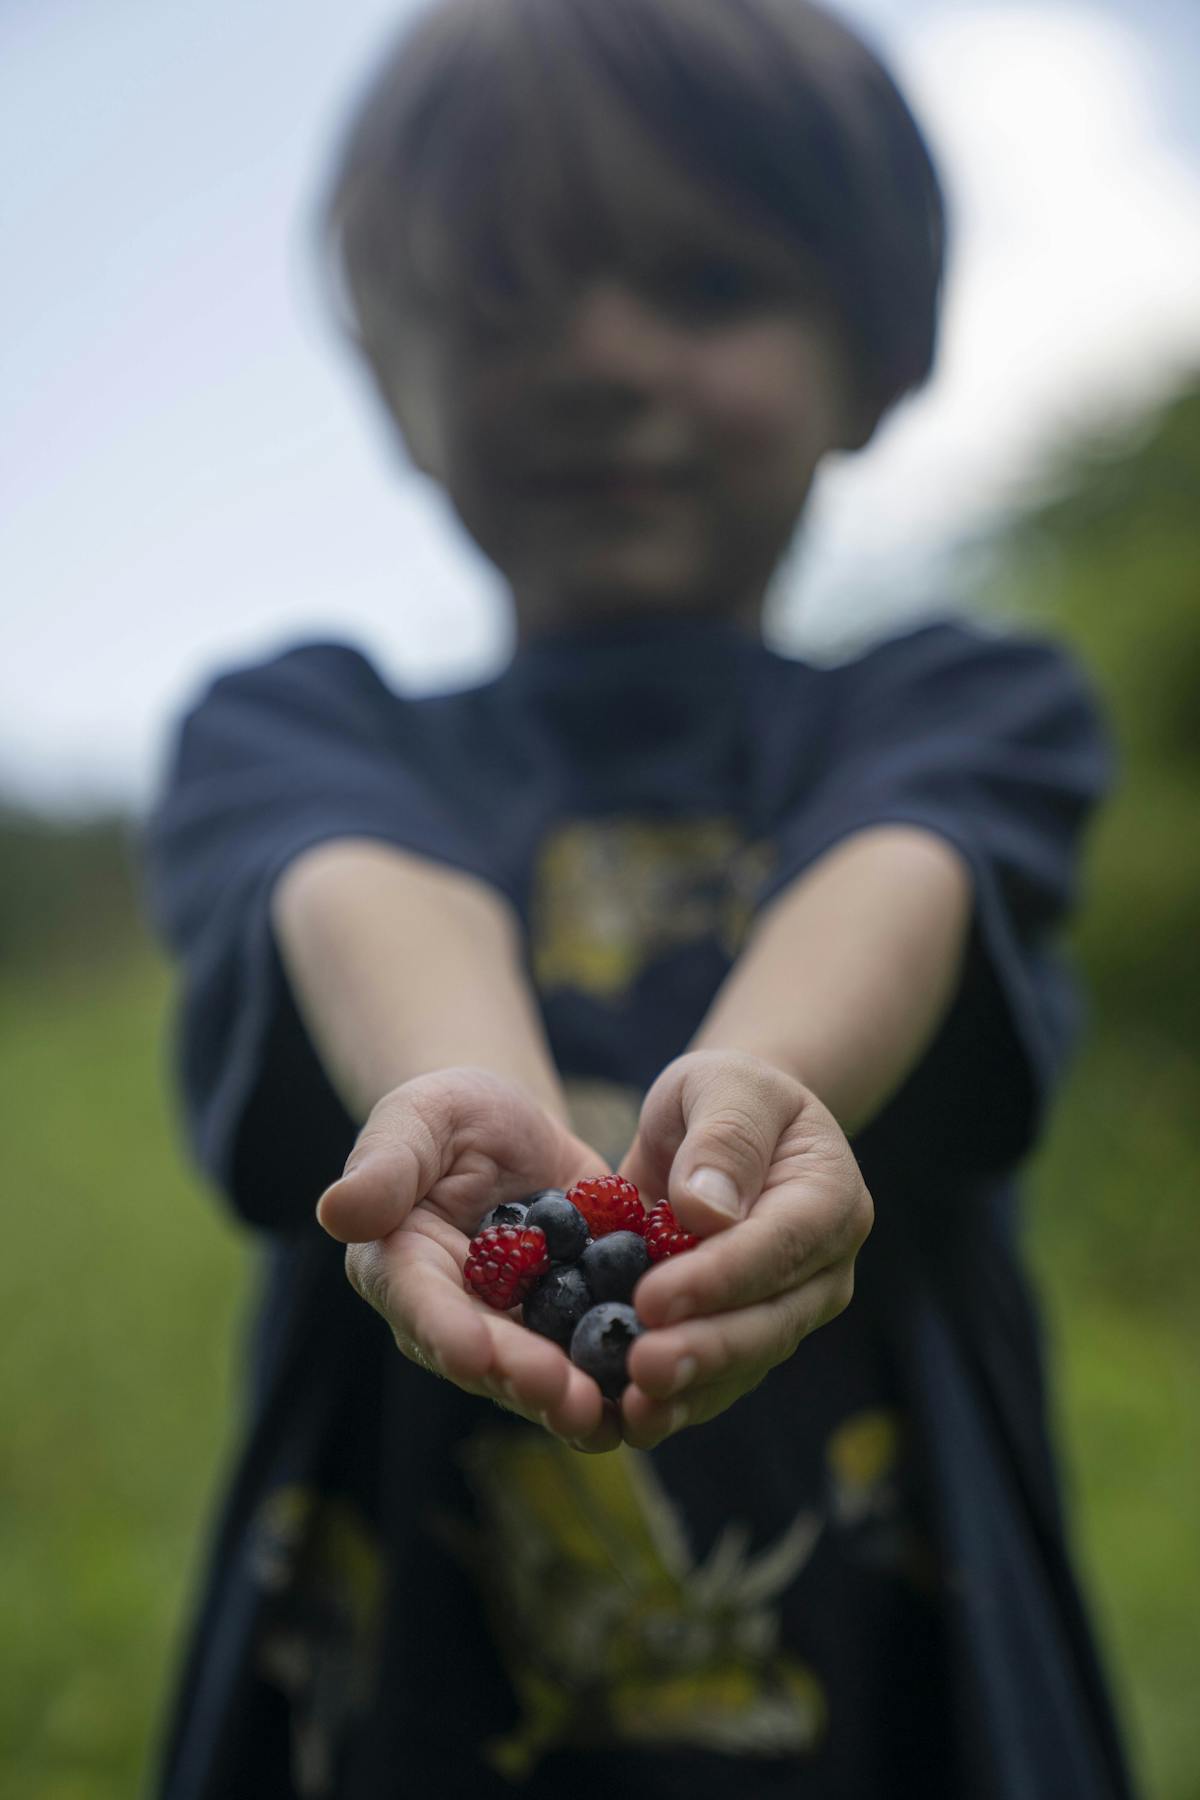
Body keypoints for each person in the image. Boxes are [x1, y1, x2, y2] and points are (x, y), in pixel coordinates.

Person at [141, 0, 1136, 1795]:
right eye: (509, 302)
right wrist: (478, 1120)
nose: (600, 356)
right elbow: (374, 894)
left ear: (876, 348)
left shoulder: (961, 701)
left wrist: (748, 1105)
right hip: (406, 1707)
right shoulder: (292, 722)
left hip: (887, 1687)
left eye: (707, 284)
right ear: (397, 382)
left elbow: (895, 880)